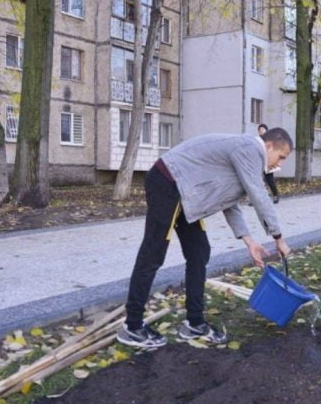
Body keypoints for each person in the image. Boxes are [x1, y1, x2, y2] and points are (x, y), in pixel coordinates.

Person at [117, 129, 294, 349]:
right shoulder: (250, 149)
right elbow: (259, 195)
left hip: (185, 192)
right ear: (268, 146)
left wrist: (249, 241)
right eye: (281, 156)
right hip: (169, 182)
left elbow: (228, 202)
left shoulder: (246, 156)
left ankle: (195, 324)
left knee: (199, 252)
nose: (281, 164)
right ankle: (132, 327)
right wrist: (278, 238)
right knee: (152, 254)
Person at [258, 124, 280, 203]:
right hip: (259, 162)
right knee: (257, 181)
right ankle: (257, 199)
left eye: (263, 129)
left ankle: (276, 195)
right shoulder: (257, 140)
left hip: (268, 163)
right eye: (260, 129)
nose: (261, 130)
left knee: (270, 180)